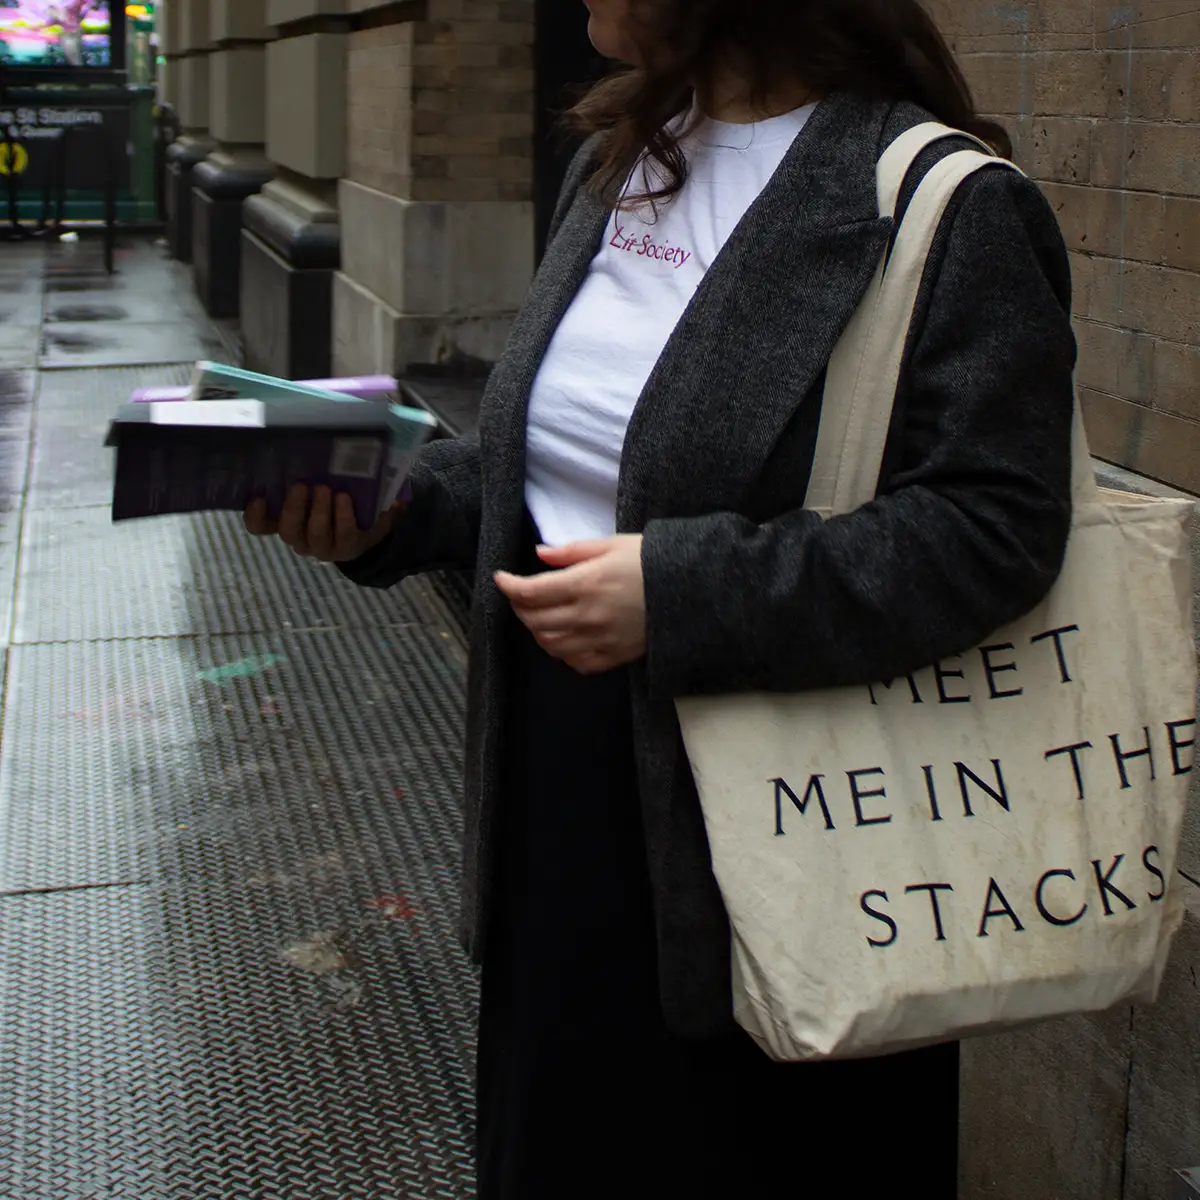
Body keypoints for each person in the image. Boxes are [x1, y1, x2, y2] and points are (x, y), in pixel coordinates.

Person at [245, 0, 1077, 1193]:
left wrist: (687, 594)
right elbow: (543, 461)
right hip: (558, 800)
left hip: (787, 833)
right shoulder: (620, 155)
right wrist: (393, 510)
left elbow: (997, 526)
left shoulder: (942, 205)